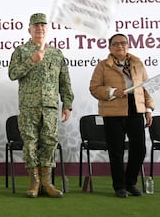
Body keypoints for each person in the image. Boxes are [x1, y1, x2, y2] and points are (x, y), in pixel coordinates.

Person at [8, 13, 74, 198]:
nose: (40, 28)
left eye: (43, 25)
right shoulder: (21, 51)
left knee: (49, 142)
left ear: (47, 29)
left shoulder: (56, 53)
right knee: (30, 143)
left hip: (51, 107)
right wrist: (31, 61)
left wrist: (67, 104)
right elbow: (12, 74)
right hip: (29, 106)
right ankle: (34, 183)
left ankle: (47, 182)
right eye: (36, 26)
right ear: (29, 29)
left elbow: (65, 81)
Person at [89, 33, 154, 198]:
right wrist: (111, 91)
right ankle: (119, 186)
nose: (120, 46)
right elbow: (94, 88)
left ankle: (130, 182)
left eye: (124, 43)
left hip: (135, 110)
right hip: (113, 112)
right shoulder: (103, 66)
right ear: (110, 47)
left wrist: (149, 109)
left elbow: (147, 88)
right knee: (116, 151)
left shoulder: (137, 63)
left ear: (128, 46)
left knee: (139, 149)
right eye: (116, 44)